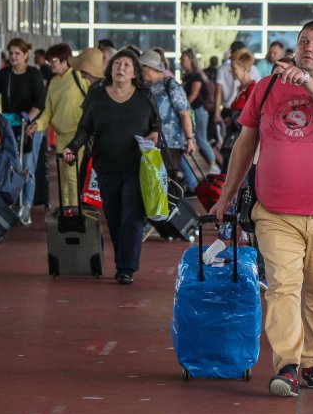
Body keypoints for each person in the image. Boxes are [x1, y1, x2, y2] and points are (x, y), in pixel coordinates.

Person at [210, 20, 313, 398]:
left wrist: (306, 82)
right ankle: (288, 365)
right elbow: (245, 144)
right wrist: (226, 196)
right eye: (303, 41)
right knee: (283, 288)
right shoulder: (267, 87)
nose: (309, 47)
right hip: (276, 212)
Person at [62, 50, 160, 285]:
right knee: (114, 217)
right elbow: (85, 127)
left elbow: (156, 124)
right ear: (110, 68)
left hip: (137, 168)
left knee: (132, 217)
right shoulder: (97, 96)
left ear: (135, 72)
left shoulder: (145, 96)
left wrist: (155, 134)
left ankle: (126, 267)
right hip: (105, 165)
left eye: (127, 64)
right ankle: (122, 259)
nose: (121, 67)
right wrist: (73, 147)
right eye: (117, 63)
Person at [0, 38, 46, 225]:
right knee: (9, 163)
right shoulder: (4, 74)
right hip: (9, 124)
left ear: (26, 55)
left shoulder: (34, 74)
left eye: (17, 54)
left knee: (27, 165)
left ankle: (27, 203)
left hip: (30, 126)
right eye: (11, 53)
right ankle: (10, 200)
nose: (13, 57)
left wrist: (28, 118)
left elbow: (40, 102)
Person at [37, 43, 93, 207]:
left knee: (72, 177)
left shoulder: (78, 77)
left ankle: (74, 212)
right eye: (49, 60)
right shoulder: (53, 83)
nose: (50, 63)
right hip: (61, 137)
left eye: (53, 60)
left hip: (78, 137)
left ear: (65, 60)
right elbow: (48, 112)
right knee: (63, 179)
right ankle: (67, 212)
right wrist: (37, 125)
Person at [139, 49, 198, 192]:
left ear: (148, 68)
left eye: (140, 68)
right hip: (152, 141)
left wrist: (190, 139)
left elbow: (184, 113)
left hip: (170, 143)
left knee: (166, 179)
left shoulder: (170, 84)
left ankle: (171, 210)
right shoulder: (148, 86)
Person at [180, 48, 218, 173]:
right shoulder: (188, 76)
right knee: (200, 139)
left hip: (198, 110)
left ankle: (214, 165)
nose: (181, 61)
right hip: (193, 111)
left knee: (201, 139)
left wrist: (182, 107)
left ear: (191, 60)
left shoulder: (196, 76)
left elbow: (194, 95)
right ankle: (212, 164)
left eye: (184, 59)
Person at [214, 41, 261, 129]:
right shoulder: (241, 89)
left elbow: (253, 119)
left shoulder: (251, 89)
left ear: (244, 68)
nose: (231, 71)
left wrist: (232, 119)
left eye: (234, 68)